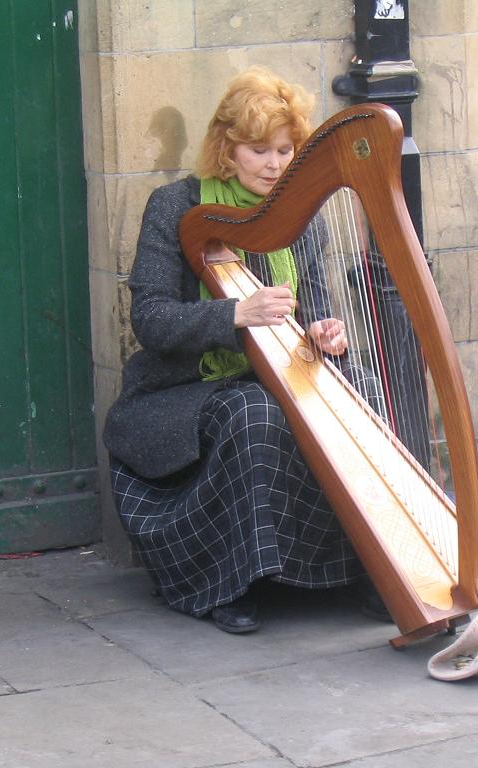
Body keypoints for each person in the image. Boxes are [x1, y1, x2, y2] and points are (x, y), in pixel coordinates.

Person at [102, 67, 385, 634]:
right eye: (259, 150)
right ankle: (227, 582)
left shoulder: (300, 220)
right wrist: (232, 314)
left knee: (366, 394)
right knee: (251, 410)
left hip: (273, 374)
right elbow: (151, 319)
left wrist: (326, 336)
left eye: (285, 150)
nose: (275, 164)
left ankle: (356, 569)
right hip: (178, 392)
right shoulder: (175, 207)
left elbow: (315, 315)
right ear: (226, 150)